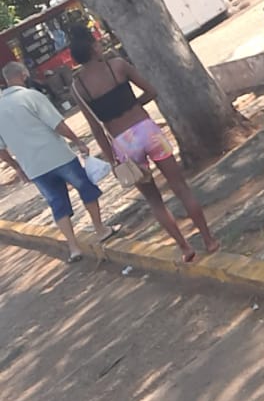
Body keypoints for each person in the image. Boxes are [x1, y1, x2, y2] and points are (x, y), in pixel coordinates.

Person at [69, 27, 218, 263]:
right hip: (146, 130)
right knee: (180, 187)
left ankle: (185, 247)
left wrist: (113, 160)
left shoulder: (79, 88)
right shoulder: (117, 66)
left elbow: (96, 128)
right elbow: (151, 91)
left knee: (154, 200)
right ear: (94, 48)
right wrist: (134, 104)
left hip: (123, 144)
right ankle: (209, 240)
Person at [0, 60, 119, 261]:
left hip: (33, 166)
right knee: (85, 188)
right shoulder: (31, 96)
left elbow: (1, 150)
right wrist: (78, 141)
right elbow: (57, 124)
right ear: (23, 75)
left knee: (57, 203)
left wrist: (17, 167)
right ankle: (100, 229)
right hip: (57, 155)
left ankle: (73, 247)